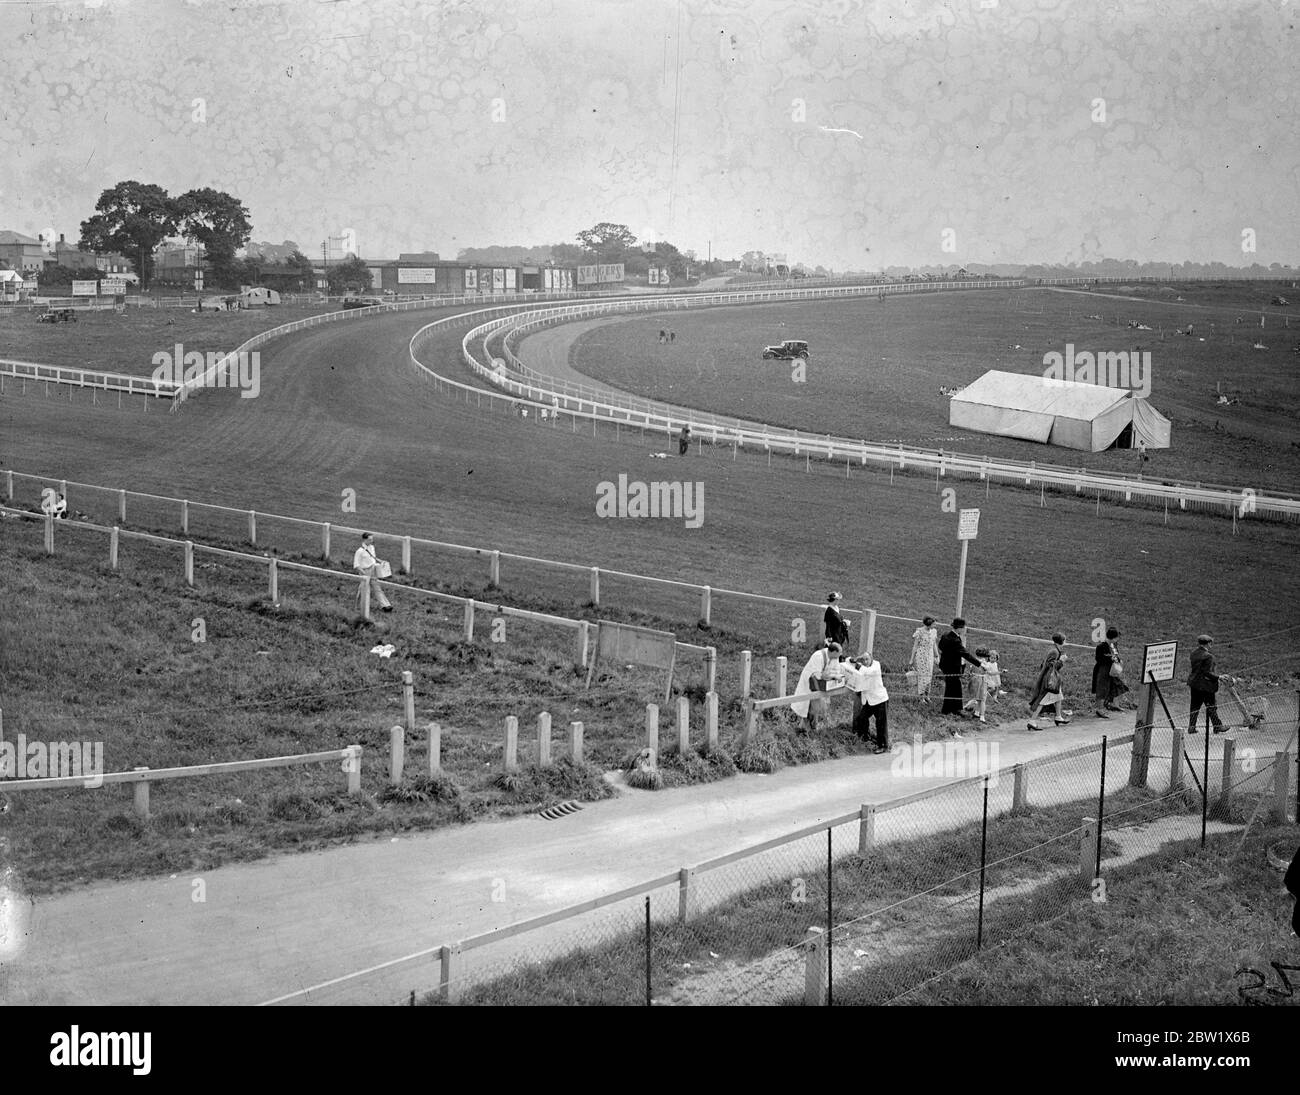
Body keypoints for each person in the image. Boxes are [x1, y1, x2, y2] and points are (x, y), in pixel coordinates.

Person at [841, 652, 889, 753]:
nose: (866, 662)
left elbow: (867, 672)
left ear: (872, 659)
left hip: (880, 699)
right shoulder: (862, 667)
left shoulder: (876, 666)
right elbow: (848, 661)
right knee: (861, 718)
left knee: (881, 724)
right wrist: (853, 659)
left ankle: (883, 746)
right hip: (868, 700)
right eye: (864, 660)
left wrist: (857, 664)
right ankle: (866, 738)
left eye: (867, 659)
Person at [937, 618, 982, 726]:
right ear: (960, 628)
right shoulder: (955, 640)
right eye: (963, 627)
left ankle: (950, 708)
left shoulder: (945, 635)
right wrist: (979, 663)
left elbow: (940, 647)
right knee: (954, 686)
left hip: (945, 665)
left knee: (952, 686)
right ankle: (953, 709)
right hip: (952, 666)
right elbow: (965, 653)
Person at [792, 642, 842, 734]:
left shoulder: (834, 657)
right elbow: (818, 675)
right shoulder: (818, 656)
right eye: (838, 654)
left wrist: (836, 675)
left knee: (817, 706)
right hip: (810, 682)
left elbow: (836, 669)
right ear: (832, 652)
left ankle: (810, 727)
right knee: (808, 706)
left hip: (821, 685)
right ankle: (805, 729)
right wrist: (833, 677)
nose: (838, 657)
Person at [1027, 634, 1070, 731]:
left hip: (1053, 679)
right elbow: (1051, 666)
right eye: (1065, 640)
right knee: (1042, 700)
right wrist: (1061, 661)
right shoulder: (1054, 651)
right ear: (1062, 641)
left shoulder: (1056, 650)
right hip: (1049, 681)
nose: (1065, 642)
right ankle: (1032, 721)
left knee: (1059, 697)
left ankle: (1058, 717)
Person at [1187, 634, 1226, 734]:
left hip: (1194, 683)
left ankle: (1191, 727)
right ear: (1208, 644)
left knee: (1195, 706)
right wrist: (1219, 677)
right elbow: (1207, 672)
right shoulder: (1209, 657)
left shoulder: (1193, 653)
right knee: (1211, 706)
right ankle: (1217, 726)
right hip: (1205, 686)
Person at [1092, 626, 1128, 718]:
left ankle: (1114, 704)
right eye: (1117, 638)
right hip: (1103, 669)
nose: (1118, 640)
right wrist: (1109, 658)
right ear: (1113, 637)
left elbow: (1116, 654)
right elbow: (1098, 659)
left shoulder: (1114, 645)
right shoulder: (1101, 646)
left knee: (1117, 685)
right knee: (1101, 689)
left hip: (1113, 669)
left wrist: (1118, 660)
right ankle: (1100, 709)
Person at [353, 532, 393, 613]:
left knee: (377, 588)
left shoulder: (372, 547)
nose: (371, 541)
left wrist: (380, 561)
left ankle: (385, 606)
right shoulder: (359, 551)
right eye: (370, 539)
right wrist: (363, 574)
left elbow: (373, 557)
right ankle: (357, 607)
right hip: (365, 571)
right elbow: (356, 565)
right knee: (363, 589)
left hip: (373, 569)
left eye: (372, 539)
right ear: (364, 540)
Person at [962, 647, 1000, 723]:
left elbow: (970, 672)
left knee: (977, 698)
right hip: (982, 681)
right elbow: (989, 671)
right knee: (982, 700)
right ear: (986, 656)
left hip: (974, 680)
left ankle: (976, 713)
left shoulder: (974, 662)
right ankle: (982, 717)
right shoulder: (985, 663)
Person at [908, 615, 939, 700]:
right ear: (928, 624)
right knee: (922, 676)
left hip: (930, 656)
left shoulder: (933, 632)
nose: (935, 626)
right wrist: (911, 659)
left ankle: (927, 695)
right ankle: (921, 697)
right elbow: (915, 646)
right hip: (921, 656)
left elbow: (934, 644)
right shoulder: (920, 632)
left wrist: (937, 656)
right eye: (933, 624)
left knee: (929, 675)